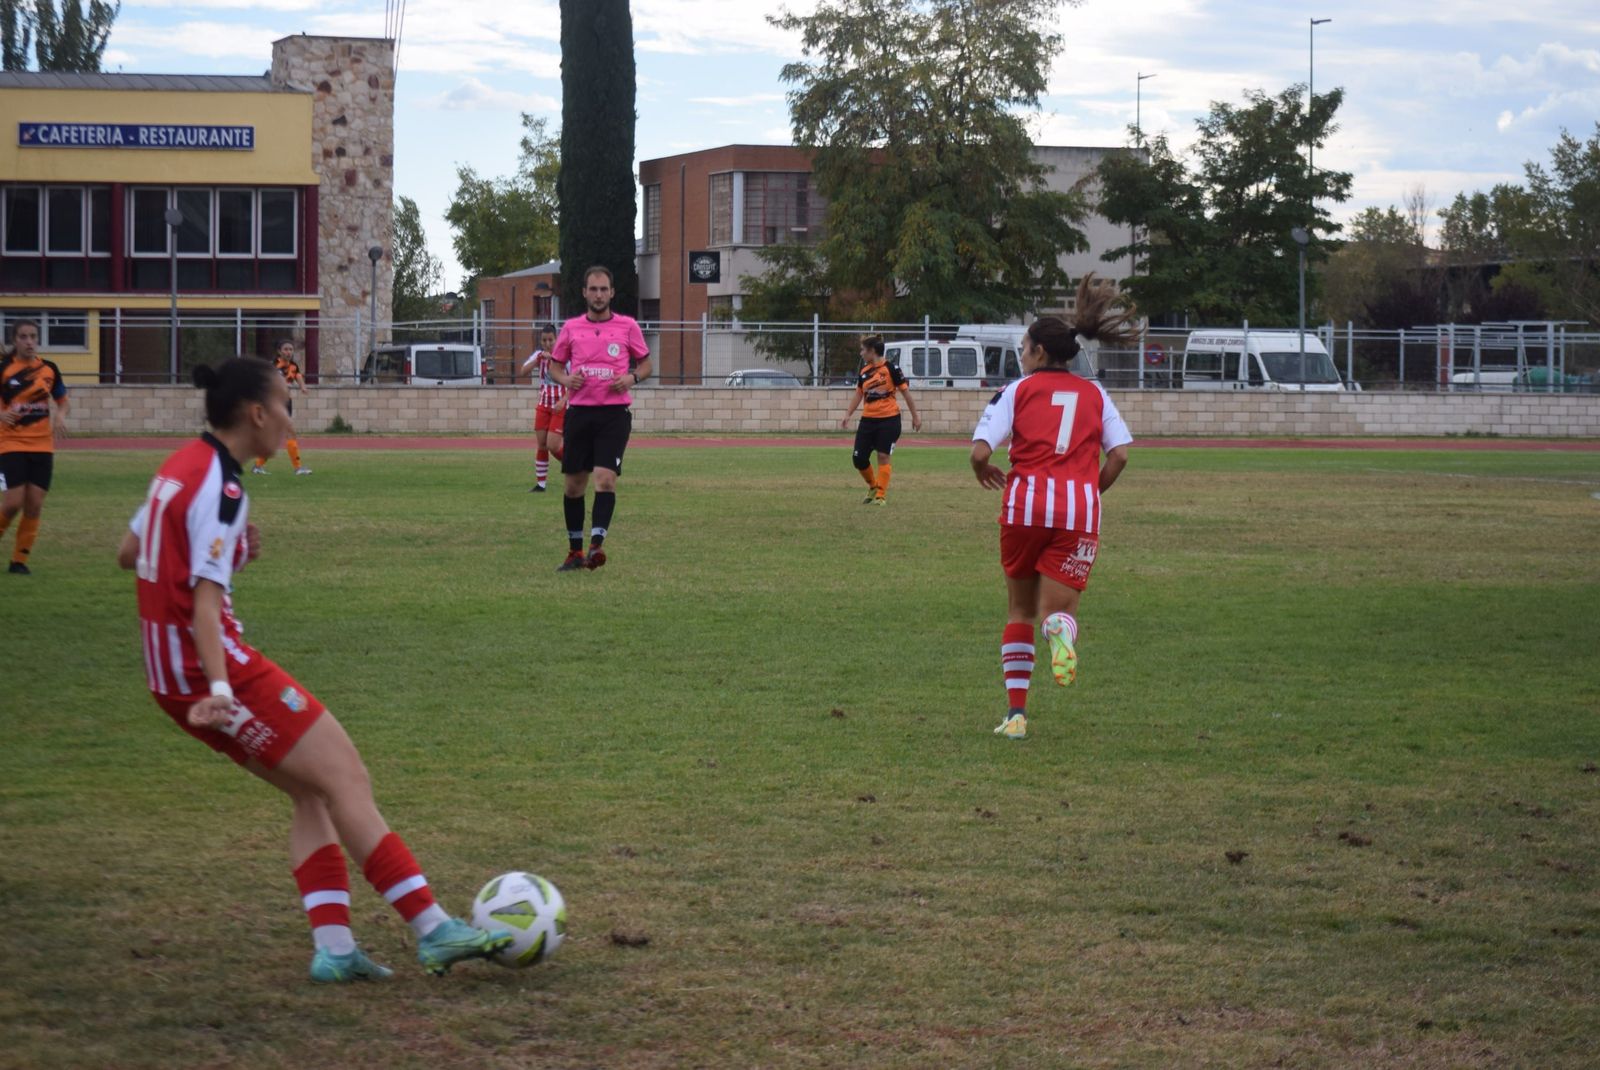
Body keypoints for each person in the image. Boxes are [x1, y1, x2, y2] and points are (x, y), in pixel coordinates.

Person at [117, 357, 512, 982]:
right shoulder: (223, 488)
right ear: (256, 413)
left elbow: (129, 553)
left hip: (168, 680)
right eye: (285, 406)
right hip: (211, 674)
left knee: (311, 789)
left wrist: (214, 555)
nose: (288, 418)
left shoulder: (177, 467)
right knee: (346, 775)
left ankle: (334, 949)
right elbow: (202, 602)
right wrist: (221, 686)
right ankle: (434, 930)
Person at [969, 275, 1138, 741]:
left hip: (1023, 510)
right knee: (1055, 612)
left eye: (1024, 349)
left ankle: (1017, 716)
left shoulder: (1017, 391)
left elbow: (982, 451)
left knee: (1020, 611)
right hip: (1078, 514)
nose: (1021, 357)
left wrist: (980, 469)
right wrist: (1088, 492)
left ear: (1040, 353)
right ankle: (1061, 627)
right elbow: (1120, 453)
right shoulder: (1097, 393)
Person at [547, 266, 651, 571]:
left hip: (613, 415)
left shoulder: (628, 326)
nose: (598, 294)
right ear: (584, 293)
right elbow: (555, 367)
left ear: (612, 293)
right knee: (574, 486)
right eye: (593, 289)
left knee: (605, 480)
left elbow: (646, 364)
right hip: (579, 414)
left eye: (604, 289)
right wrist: (566, 381)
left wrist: (631, 378)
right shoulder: (570, 328)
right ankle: (575, 552)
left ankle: (596, 546)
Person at [0, 319, 70, 575]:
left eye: (33, 336)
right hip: (9, 444)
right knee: (12, 502)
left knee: (34, 504)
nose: (29, 341)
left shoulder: (49, 369)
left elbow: (62, 400)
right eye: (23, 337)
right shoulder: (5, 369)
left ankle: (19, 561)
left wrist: (60, 415)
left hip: (42, 445)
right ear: (14, 340)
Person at [839, 334, 920, 506]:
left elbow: (906, 394)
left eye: (863, 350)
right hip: (867, 421)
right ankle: (873, 486)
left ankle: (881, 495)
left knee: (883, 456)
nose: (861, 354)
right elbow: (859, 394)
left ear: (872, 351)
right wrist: (848, 414)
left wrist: (915, 416)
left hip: (889, 420)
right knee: (858, 459)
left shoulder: (892, 369)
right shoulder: (864, 372)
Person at [253, 340, 311, 476]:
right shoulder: (273, 366)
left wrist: (302, 387)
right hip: (274, 402)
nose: (289, 352)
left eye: (290, 349)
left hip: (286, 403)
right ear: (279, 351)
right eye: (286, 349)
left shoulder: (293, 365)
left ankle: (258, 466)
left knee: (274, 436)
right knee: (289, 432)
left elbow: (298, 375)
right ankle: (298, 468)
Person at [519, 325, 567, 493]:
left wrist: (564, 400)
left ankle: (572, 466)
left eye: (550, 340)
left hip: (560, 405)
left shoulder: (565, 357)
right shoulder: (538, 356)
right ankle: (541, 484)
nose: (547, 344)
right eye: (544, 340)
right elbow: (523, 372)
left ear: (557, 339)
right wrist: (537, 360)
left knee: (553, 445)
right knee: (542, 445)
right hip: (543, 404)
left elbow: (576, 382)